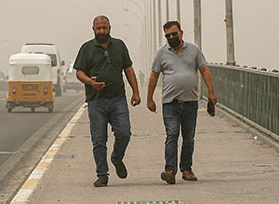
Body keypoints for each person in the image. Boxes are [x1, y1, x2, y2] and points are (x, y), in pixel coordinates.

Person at [146, 21, 217, 185]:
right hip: (170, 103)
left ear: (181, 33)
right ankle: (170, 171)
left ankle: (186, 169)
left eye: (174, 34)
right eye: (168, 35)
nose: (171, 37)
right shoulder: (161, 53)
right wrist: (150, 99)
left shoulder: (193, 49)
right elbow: (154, 76)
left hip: (190, 102)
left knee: (188, 138)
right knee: (172, 135)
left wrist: (211, 92)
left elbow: (204, 70)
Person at [74, 15, 141, 187]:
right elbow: (79, 72)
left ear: (110, 28)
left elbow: (129, 69)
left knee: (124, 133)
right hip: (96, 101)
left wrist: (135, 91)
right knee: (99, 139)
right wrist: (90, 82)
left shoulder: (119, 46)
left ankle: (117, 158)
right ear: (93, 29)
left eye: (104, 27)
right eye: (98, 28)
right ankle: (102, 174)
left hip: (118, 99)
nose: (102, 31)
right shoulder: (87, 48)